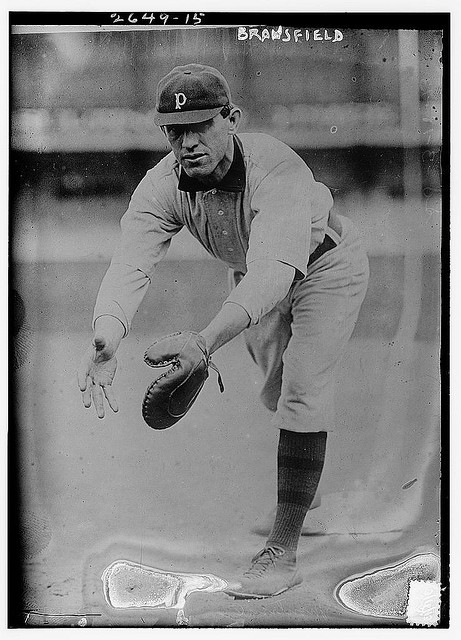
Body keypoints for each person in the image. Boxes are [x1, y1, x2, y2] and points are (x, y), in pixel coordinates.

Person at [78, 64, 369, 599]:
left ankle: (283, 551)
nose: (187, 142)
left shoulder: (276, 168)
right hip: (251, 277)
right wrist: (107, 334)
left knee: (303, 388)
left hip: (327, 267)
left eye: (201, 125)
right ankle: (312, 498)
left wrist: (202, 343)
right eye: (175, 130)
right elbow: (130, 263)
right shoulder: (164, 184)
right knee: (277, 395)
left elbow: (273, 274)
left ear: (231, 119)